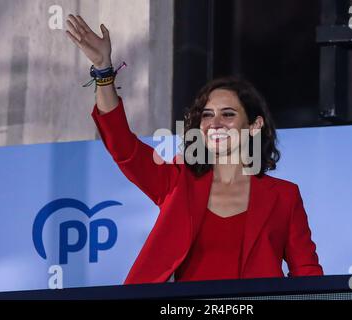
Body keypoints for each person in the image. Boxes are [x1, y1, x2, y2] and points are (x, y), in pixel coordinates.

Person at [66, 14, 323, 284]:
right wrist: (103, 71)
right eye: (207, 115)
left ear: (254, 125)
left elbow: (307, 274)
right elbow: (122, 146)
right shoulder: (178, 180)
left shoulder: (285, 196)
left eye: (228, 114)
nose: (215, 124)